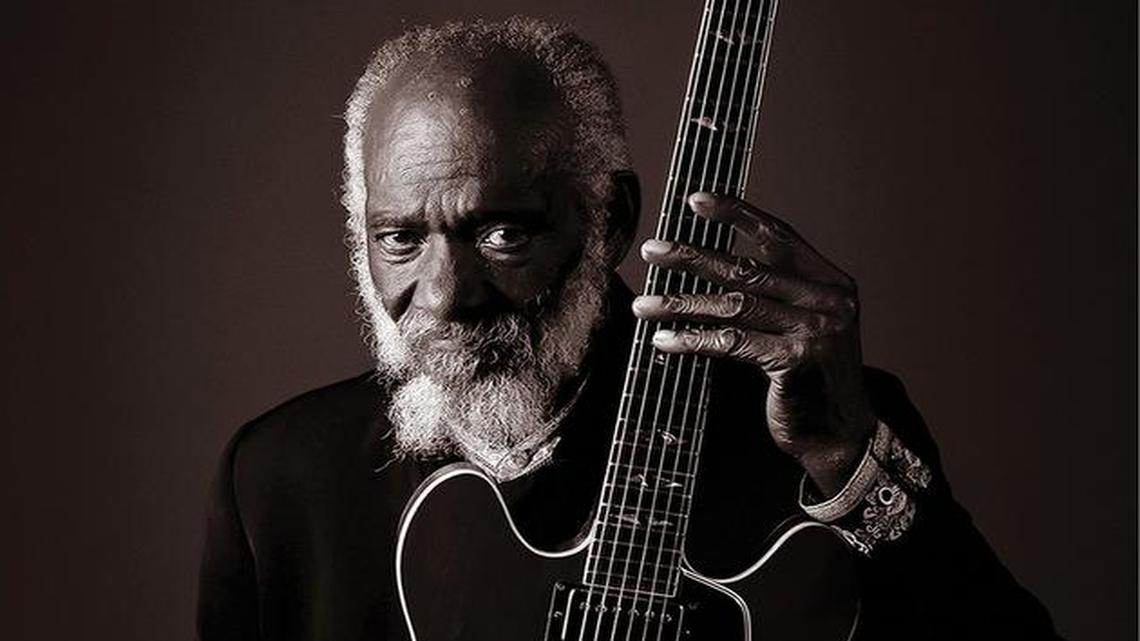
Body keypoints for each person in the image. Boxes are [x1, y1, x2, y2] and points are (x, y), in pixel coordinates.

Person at [197, 17, 1062, 641]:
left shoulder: (812, 427)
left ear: (608, 221)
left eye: (503, 232)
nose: (448, 293)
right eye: (400, 238)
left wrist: (849, 462)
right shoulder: (279, 481)